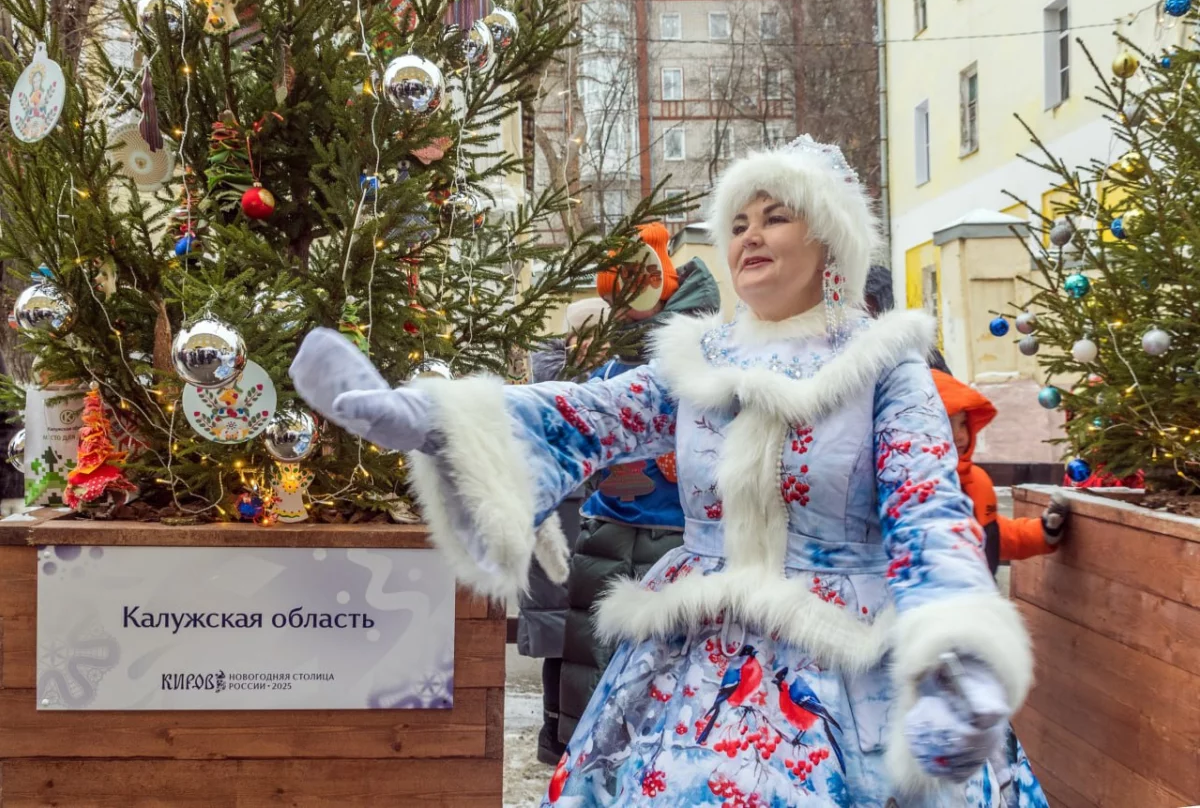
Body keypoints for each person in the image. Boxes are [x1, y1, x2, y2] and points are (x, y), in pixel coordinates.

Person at [290, 136, 1047, 806]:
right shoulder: (701, 360)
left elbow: (928, 513)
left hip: (846, 664)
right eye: (738, 223)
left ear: (830, 238)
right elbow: (584, 413)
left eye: (776, 217)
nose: (750, 236)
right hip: (693, 659)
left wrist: (957, 659)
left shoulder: (885, 367)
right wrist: (427, 416)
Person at [558, 224, 721, 749]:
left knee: (663, 684)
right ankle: (581, 760)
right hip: (606, 532)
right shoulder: (609, 364)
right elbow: (583, 438)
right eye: (614, 300)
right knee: (592, 667)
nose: (622, 311)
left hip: (675, 539)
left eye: (629, 295)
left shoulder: (704, 358)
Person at [519, 298, 610, 765]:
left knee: (578, 636)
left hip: (579, 515)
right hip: (561, 519)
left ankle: (563, 732)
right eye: (597, 336)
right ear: (576, 339)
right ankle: (555, 733)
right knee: (562, 635)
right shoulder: (560, 386)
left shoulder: (602, 380)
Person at [932, 369, 1067, 575]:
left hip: (981, 593)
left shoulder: (976, 480)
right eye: (947, 425)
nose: (960, 436)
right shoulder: (902, 490)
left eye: (963, 423)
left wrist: (1043, 531)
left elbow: (993, 536)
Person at [864, 264, 952, 374]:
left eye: (867, 305)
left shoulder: (913, 342)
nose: (864, 312)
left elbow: (942, 380)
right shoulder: (851, 346)